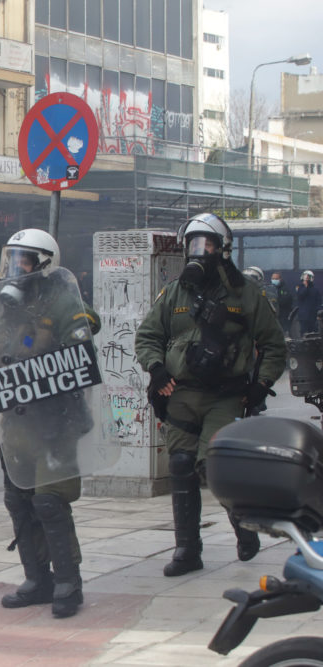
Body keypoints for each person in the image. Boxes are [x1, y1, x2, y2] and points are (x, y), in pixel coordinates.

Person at [135, 213, 285, 577]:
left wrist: (260, 385)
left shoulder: (247, 294)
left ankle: (245, 530)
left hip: (226, 396)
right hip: (183, 393)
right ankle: (187, 549)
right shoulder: (174, 293)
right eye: (193, 244)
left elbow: (274, 346)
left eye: (208, 244)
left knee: (215, 466)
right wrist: (156, 369)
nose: (199, 251)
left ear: (223, 249)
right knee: (182, 466)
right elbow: (148, 336)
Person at [0, 229, 98, 619]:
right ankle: (36, 578)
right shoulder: (5, 303)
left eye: (25, 261)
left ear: (45, 265)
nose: (16, 268)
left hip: (56, 418)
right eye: (12, 259)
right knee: (19, 499)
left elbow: (81, 346)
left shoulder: (63, 300)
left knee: (49, 501)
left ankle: (67, 580)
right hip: (18, 417)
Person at [296, 270, 321, 336]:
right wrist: (305, 287)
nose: (306, 278)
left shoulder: (315, 290)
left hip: (313, 316)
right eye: (305, 276)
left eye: (308, 277)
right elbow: (300, 296)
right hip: (303, 316)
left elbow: (318, 302)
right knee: (304, 333)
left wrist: (319, 313)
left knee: (313, 333)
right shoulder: (299, 288)